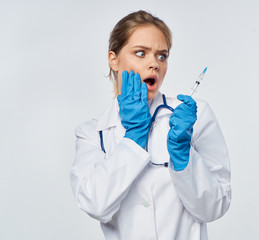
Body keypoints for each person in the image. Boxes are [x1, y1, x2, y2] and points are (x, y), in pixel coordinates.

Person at [70, 10, 231, 240]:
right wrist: (134, 136)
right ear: (113, 60)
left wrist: (184, 157)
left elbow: (214, 207)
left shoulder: (192, 118)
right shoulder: (93, 134)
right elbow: (95, 205)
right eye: (140, 53)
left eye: (161, 56)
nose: (154, 64)